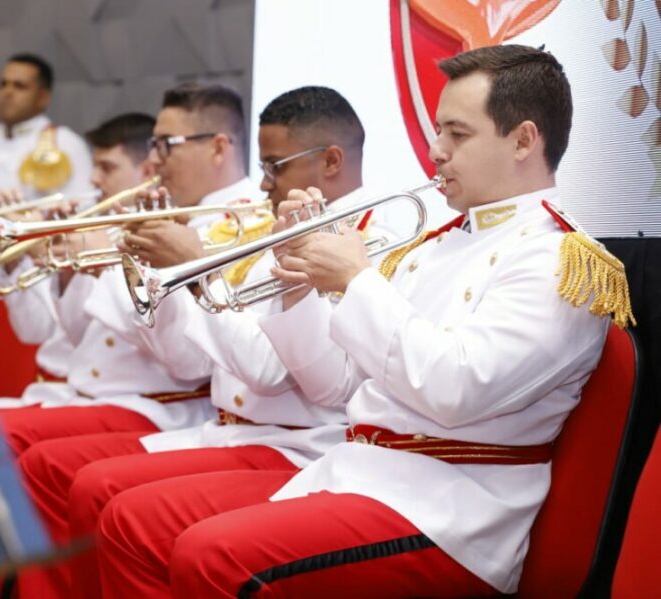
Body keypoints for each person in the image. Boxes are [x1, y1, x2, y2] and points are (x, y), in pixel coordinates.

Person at [95, 44, 632, 597]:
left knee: (213, 556)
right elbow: (335, 385)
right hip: (360, 475)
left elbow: (455, 390)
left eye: (457, 134)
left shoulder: (561, 260)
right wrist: (298, 286)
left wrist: (357, 282)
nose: (436, 151)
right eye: (437, 131)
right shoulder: (428, 247)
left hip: (449, 512)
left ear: (523, 139)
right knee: (142, 524)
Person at [13, 86, 379, 599]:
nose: (265, 185)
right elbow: (176, 351)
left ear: (331, 161)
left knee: (109, 497)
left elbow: (266, 372)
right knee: (97, 490)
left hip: (295, 442)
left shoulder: (368, 234)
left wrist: (192, 275)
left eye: (275, 167)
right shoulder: (258, 223)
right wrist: (123, 267)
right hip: (235, 428)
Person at [0, 83, 256, 458]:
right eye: (154, 144)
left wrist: (107, 267)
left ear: (217, 147)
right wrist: (72, 270)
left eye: (167, 144)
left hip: (159, 406)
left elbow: (186, 362)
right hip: (100, 395)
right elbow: (77, 333)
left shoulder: (241, 222)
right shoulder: (170, 209)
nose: (156, 159)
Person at [0, 112, 158, 394]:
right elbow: (33, 329)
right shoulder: (84, 226)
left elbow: (91, 334)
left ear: (147, 173)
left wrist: (86, 266)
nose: (93, 178)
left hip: (95, 394)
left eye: (107, 168)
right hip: (49, 387)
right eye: (94, 166)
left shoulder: (152, 238)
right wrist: (14, 257)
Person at [0, 53, 93, 203]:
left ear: (43, 97)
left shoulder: (65, 143)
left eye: (19, 86)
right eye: (3, 84)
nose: (7, 92)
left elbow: (84, 204)